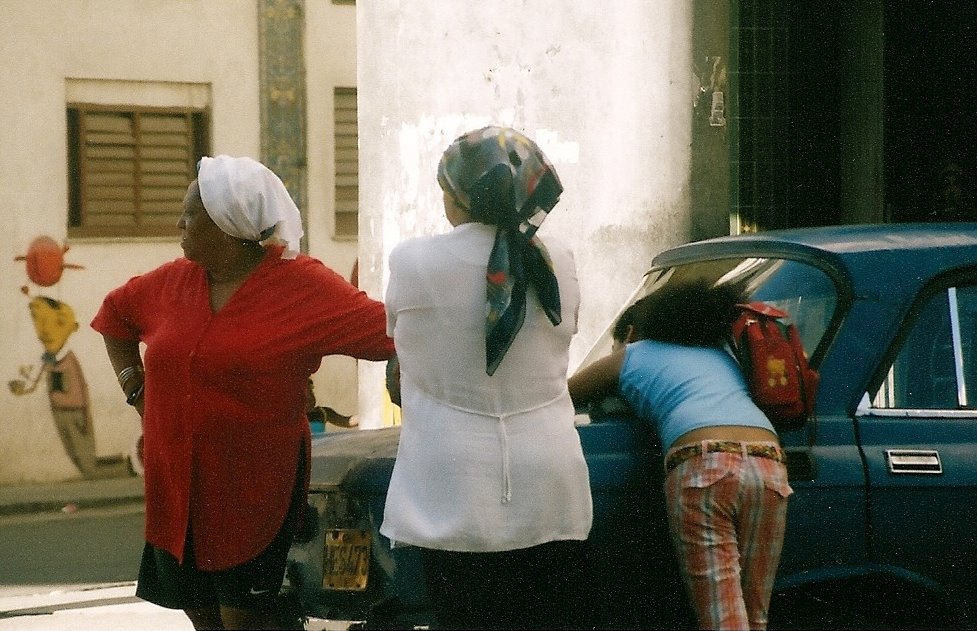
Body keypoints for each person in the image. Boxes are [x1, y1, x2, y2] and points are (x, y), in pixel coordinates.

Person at [90, 155, 394, 630]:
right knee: (204, 616)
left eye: (191, 213)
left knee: (245, 618)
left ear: (227, 225)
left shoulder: (300, 285)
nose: (179, 223)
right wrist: (137, 391)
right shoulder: (172, 281)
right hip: (177, 487)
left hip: (255, 489)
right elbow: (115, 317)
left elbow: (389, 333)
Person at [380, 127, 594, 630]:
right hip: (550, 480)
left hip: (454, 486)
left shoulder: (412, 261)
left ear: (461, 196)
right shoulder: (557, 259)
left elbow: (402, 342)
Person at [568, 280, 793, 631]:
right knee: (755, 615)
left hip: (704, 463)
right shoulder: (722, 354)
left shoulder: (632, 353)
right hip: (769, 462)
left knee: (722, 618)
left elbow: (560, 396)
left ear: (630, 333)